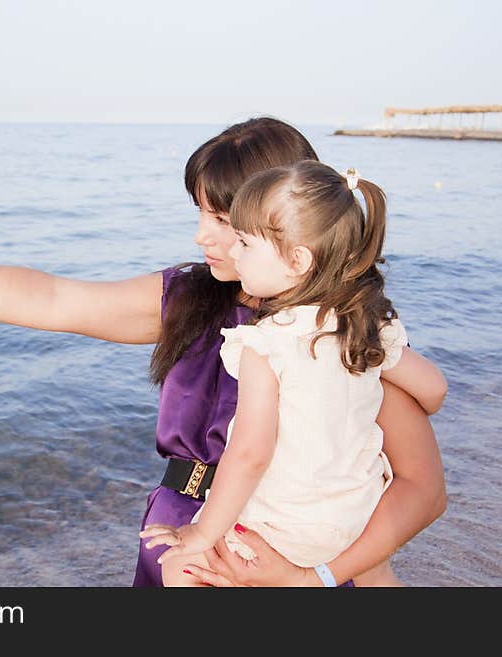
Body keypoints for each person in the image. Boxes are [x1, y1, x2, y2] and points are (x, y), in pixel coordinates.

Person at [0, 117, 446, 587]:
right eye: (204, 214)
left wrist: (314, 579)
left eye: (222, 218)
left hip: (281, 558)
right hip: (179, 539)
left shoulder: (340, 335)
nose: (203, 235)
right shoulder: (194, 297)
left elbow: (418, 487)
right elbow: (47, 297)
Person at [139, 162, 448, 587]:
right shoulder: (368, 327)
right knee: (377, 574)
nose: (233, 253)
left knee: (179, 565)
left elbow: (250, 454)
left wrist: (201, 531)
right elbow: (434, 390)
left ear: (298, 260)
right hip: (357, 519)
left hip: (287, 526)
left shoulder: (266, 343)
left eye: (245, 243)